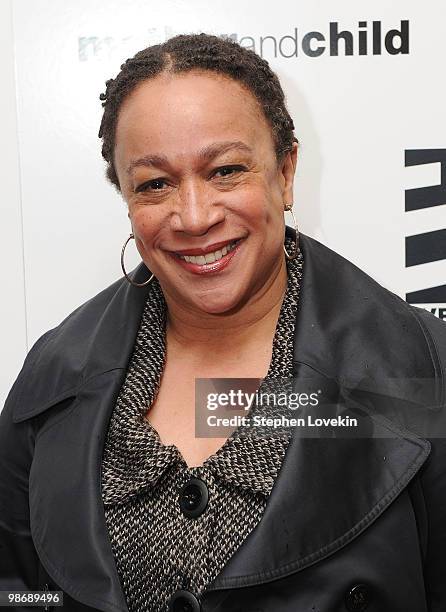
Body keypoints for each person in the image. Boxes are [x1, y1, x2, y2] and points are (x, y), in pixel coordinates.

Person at [1, 32, 445, 612]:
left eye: (226, 171)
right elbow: (19, 592)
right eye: (155, 184)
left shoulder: (419, 373)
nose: (193, 216)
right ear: (127, 200)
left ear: (285, 172)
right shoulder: (52, 376)